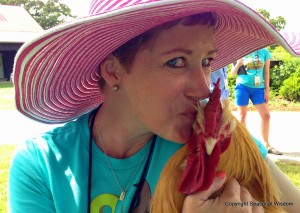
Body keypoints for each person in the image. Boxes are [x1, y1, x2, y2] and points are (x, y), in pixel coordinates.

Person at [8, 0, 300, 212]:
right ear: (113, 72)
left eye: (207, 61)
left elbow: (289, 203)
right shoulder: (43, 166)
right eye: (176, 62)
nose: (202, 88)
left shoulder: (213, 140)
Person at [231, 48, 282, 155]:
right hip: (242, 86)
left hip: (258, 88)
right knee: (242, 116)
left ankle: (266, 144)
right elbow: (232, 74)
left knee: (266, 115)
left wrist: (267, 89)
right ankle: (242, 145)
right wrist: (238, 63)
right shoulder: (239, 51)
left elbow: (266, 72)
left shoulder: (265, 52)